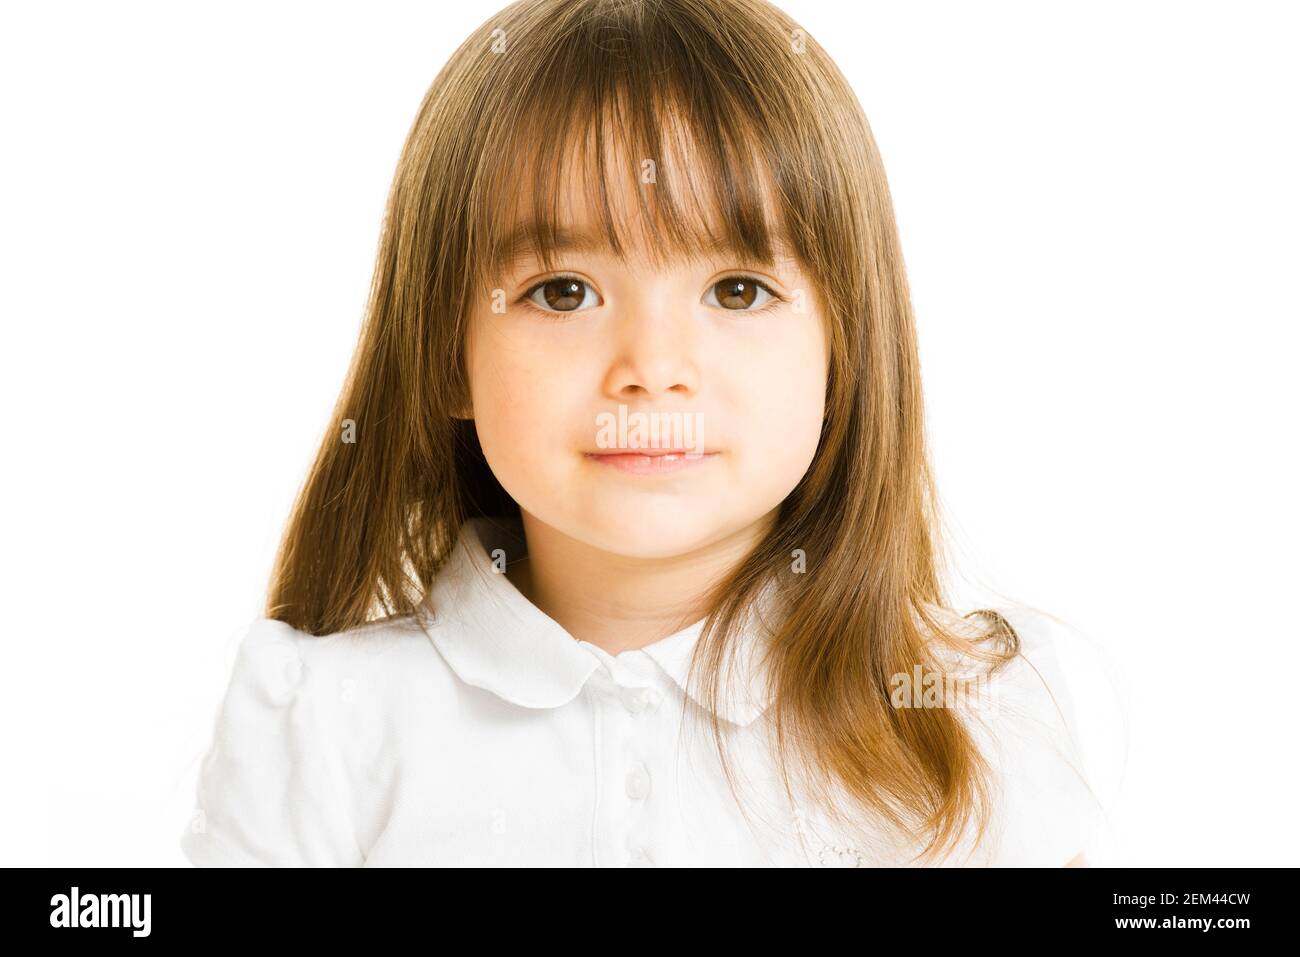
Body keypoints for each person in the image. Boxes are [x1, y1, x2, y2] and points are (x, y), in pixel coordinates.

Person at [180, 0, 1106, 867]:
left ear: (847, 349)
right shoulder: (319, 724)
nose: (653, 366)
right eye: (563, 291)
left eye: (736, 290)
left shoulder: (979, 712)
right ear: (443, 353)